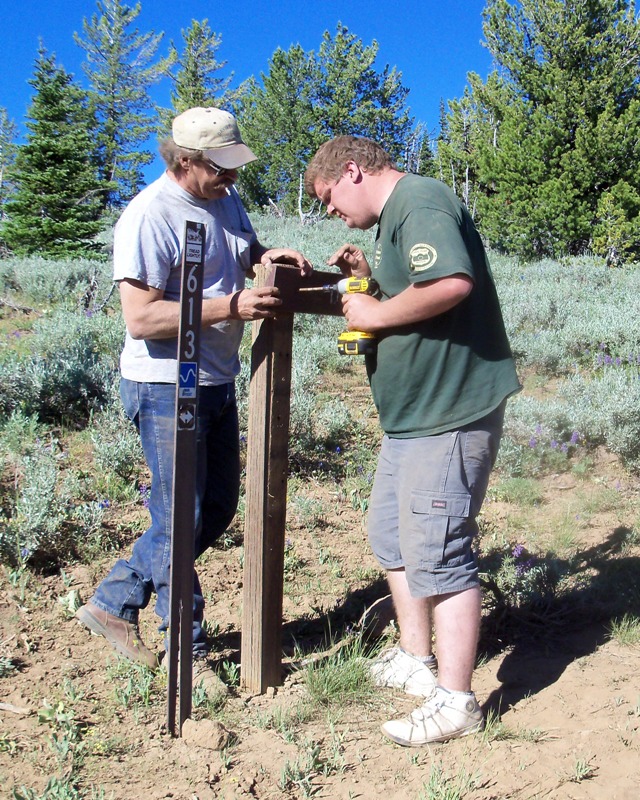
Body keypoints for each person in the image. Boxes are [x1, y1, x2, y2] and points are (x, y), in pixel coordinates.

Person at [76, 107, 312, 675]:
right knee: (183, 515)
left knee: (214, 510)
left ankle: (112, 602)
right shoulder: (147, 216)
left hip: (215, 377)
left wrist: (265, 256)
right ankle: (189, 648)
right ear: (186, 162)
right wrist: (231, 307)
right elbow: (141, 318)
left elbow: (242, 246)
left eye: (234, 167)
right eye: (220, 169)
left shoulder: (223, 197)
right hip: (164, 383)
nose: (232, 179)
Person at [305, 135, 520, 746]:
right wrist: (369, 283)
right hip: (414, 417)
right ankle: (415, 658)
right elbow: (419, 295)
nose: (328, 211)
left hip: (447, 413)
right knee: (393, 537)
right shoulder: (395, 221)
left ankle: (456, 701)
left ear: (351, 171)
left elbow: (451, 283)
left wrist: (372, 315)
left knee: (441, 551)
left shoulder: (420, 200)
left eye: (327, 197)